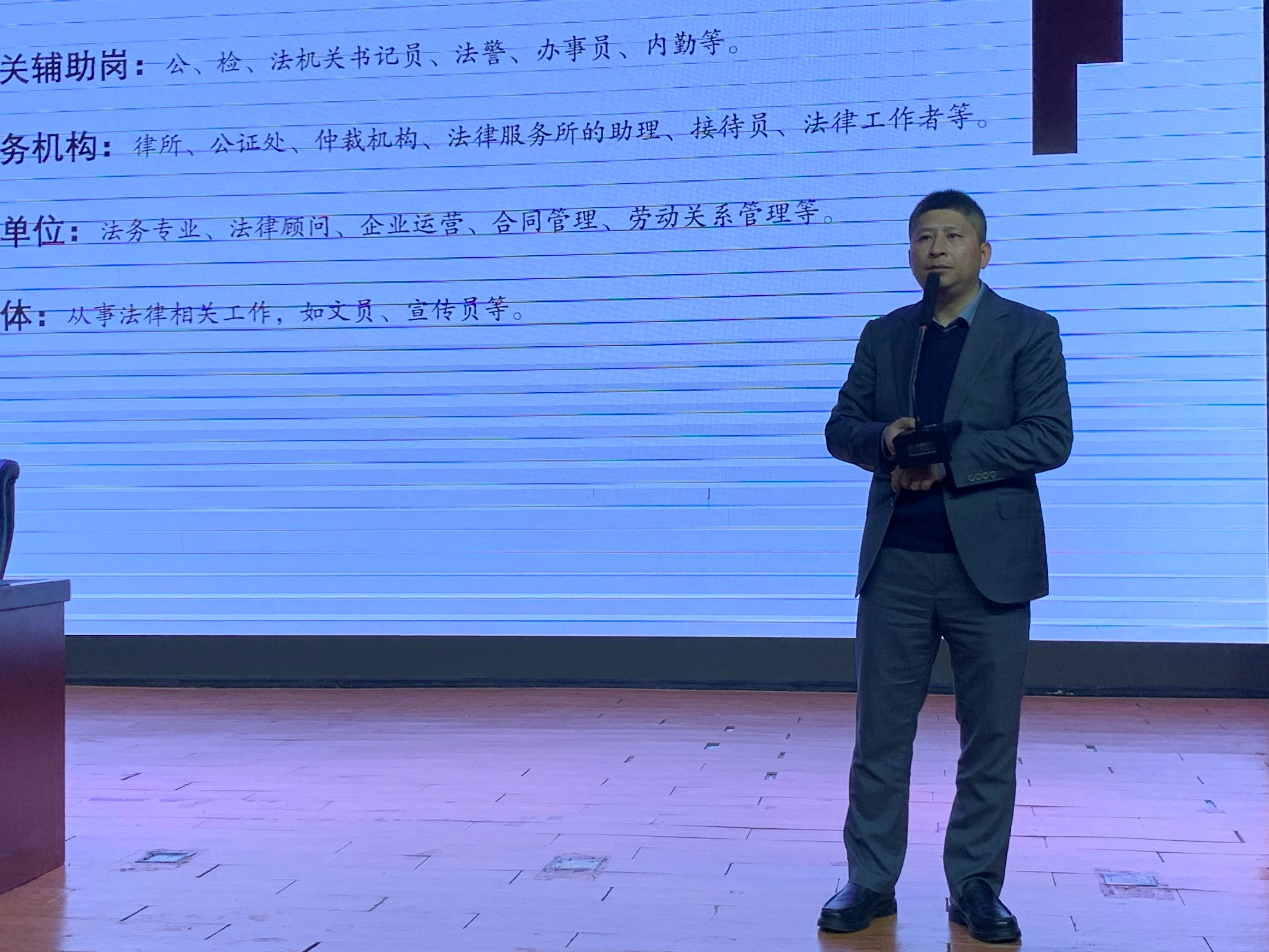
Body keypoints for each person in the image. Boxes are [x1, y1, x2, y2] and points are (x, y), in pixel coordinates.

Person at [819, 190, 1073, 943]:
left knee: (989, 736)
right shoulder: (885, 334)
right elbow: (840, 427)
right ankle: (869, 881)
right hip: (897, 562)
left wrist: (949, 457)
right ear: (910, 254)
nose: (936, 248)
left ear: (982, 252)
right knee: (879, 735)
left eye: (952, 236)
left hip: (988, 567)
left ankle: (975, 887)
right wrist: (885, 439)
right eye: (923, 237)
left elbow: (1049, 437)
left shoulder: (1028, 330)